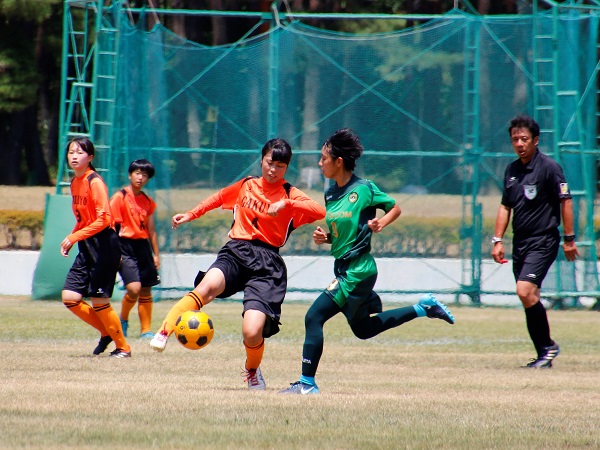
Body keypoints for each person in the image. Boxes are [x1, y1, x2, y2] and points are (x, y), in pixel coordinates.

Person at [280, 128, 454, 395]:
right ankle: (423, 308)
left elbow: (394, 207)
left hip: (358, 270)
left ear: (339, 161)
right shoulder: (330, 194)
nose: (319, 163)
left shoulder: (364, 189)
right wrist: (326, 238)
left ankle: (306, 384)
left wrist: (380, 222)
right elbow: (345, 233)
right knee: (363, 330)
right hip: (345, 267)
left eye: (323, 158)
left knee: (313, 317)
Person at [149, 138, 326, 389]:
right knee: (207, 287)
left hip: (267, 263)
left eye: (280, 166)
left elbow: (319, 211)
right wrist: (191, 214)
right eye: (269, 163)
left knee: (252, 331)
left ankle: (252, 370)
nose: (273, 170)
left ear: (286, 168)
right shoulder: (247, 185)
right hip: (236, 251)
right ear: (261, 160)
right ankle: (165, 330)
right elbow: (218, 197)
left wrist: (287, 203)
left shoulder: (289, 194)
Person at [491, 115, 578, 368]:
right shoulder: (511, 170)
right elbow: (506, 206)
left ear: (536, 140)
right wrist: (497, 240)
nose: (519, 144)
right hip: (520, 242)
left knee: (524, 290)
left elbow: (566, 201)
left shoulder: (549, 167)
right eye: (515, 139)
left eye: (524, 139)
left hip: (543, 240)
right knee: (529, 296)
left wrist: (569, 239)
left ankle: (548, 347)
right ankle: (544, 354)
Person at [60, 137, 131, 358]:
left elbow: (103, 219)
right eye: (71, 152)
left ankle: (123, 348)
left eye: (80, 152)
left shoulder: (95, 181)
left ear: (90, 157)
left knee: (99, 300)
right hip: (86, 244)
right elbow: (83, 219)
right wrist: (73, 238)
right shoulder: (74, 182)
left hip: (104, 246)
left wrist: (74, 237)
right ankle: (105, 331)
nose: (74, 156)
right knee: (70, 297)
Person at [110, 159, 161, 339]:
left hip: (143, 247)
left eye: (145, 175)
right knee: (134, 289)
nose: (140, 178)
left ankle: (145, 330)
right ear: (130, 175)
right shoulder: (119, 197)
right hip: (124, 246)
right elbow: (113, 229)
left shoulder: (148, 201)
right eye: (137, 173)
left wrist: (156, 254)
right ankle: (122, 319)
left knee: (146, 289)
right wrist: (115, 253)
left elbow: (151, 230)